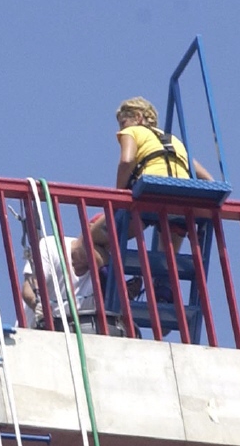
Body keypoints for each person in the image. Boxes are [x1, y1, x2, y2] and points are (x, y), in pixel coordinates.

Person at [84, 96, 215, 302]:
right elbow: (208, 179)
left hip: (149, 196)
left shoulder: (133, 131)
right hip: (183, 202)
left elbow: (127, 160)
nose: (120, 129)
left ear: (138, 117)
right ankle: (163, 291)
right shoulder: (175, 142)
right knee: (167, 252)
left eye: (123, 122)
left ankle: (114, 287)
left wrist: (118, 196)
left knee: (89, 239)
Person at [21, 232, 139, 336]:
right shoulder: (51, 246)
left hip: (74, 341)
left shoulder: (101, 273)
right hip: (34, 336)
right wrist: (40, 308)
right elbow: (28, 290)